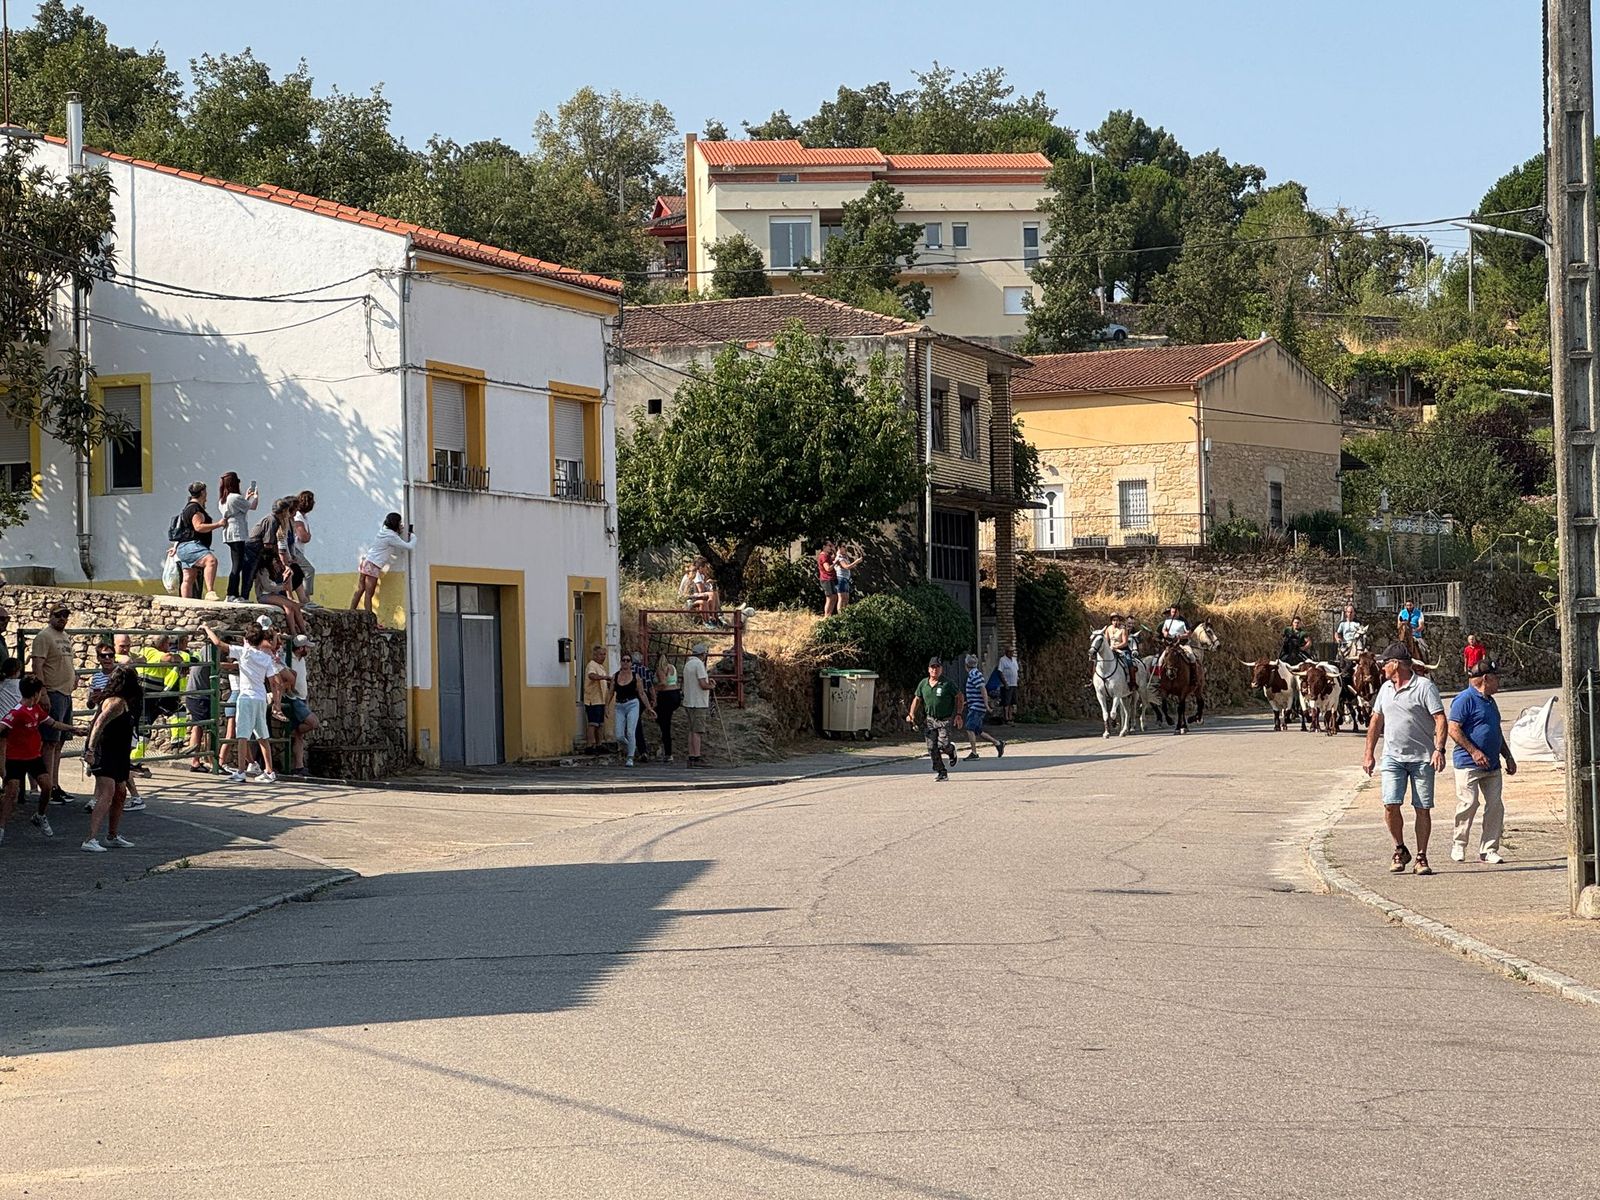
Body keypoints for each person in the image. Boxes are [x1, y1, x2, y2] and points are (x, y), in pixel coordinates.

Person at [1362, 643, 1448, 876]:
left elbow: (1440, 719)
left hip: (1422, 758)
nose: (1381, 668)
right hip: (1392, 757)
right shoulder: (1385, 689)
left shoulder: (1424, 687)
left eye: (1384, 663)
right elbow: (1376, 721)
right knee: (1390, 804)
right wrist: (1369, 753)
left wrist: (1439, 749)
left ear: (1395, 664)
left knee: (1422, 808)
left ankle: (1421, 856)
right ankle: (1400, 848)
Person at [0, 676, 86, 845]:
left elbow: (53, 723)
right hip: (15, 758)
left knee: (47, 787)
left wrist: (74, 729)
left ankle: (40, 815)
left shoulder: (36, 709)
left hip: (34, 757)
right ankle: (1, 828)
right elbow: (2, 727)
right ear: (37, 693)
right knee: (11, 793)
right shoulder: (17, 712)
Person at [1449, 659, 1517, 864]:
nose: (1499, 683)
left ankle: (1489, 849)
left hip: (1492, 765)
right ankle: (1459, 844)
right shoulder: (1464, 699)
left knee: (1495, 806)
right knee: (1469, 803)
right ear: (1486, 679)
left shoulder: (1490, 701)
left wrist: (1508, 755)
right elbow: (1454, 729)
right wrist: (1473, 752)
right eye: (1497, 679)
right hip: (1468, 763)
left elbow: (1495, 730)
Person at [202, 624, 279, 783]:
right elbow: (273, 682)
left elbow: (218, 644)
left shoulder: (242, 652)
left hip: (246, 697)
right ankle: (269, 771)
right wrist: (276, 703)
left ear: (246, 639)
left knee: (242, 735)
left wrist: (207, 629)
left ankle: (241, 771)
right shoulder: (266, 658)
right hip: (260, 698)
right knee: (262, 735)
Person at [80, 665, 143, 852]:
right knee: (107, 793)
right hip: (105, 752)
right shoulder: (115, 703)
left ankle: (112, 835)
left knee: (121, 792)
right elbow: (97, 724)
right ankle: (89, 839)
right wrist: (90, 751)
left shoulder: (125, 702)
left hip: (120, 754)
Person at [30, 603, 77, 809]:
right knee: (49, 742)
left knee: (59, 743)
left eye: (65, 615)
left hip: (65, 692)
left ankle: (55, 784)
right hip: (53, 692)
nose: (62, 619)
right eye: (58, 615)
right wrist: (43, 693)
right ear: (50, 616)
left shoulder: (64, 636)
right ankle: (47, 785)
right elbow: (37, 665)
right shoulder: (44, 637)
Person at [906, 656, 964, 782]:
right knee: (932, 747)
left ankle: (951, 750)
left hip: (945, 719)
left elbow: (959, 696)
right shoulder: (923, 684)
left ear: (941, 669)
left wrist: (959, 714)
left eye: (937, 667)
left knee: (943, 745)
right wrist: (912, 714)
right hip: (930, 720)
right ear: (929, 669)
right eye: (933, 667)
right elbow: (917, 699)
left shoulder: (947, 684)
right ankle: (941, 771)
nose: (935, 670)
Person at [352, 512, 417, 620]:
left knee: (360, 589)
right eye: (400, 523)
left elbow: (392, 537)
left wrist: (399, 532)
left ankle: (351, 611)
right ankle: (370, 620)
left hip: (366, 561)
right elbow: (408, 546)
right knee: (369, 594)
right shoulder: (392, 537)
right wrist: (413, 536)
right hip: (373, 565)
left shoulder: (383, 531)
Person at [172, 480, 226, 600]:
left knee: (189, 576)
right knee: (211, 561)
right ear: (202, 492)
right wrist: (219, 524)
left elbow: (185, 530)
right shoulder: (195, 508)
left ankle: (186, 603)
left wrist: (175, 547)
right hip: (192, 546)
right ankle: (210, 592)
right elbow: (198, 526)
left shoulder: (187, 508)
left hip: (183, 547)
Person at [219, 472, 260, 603]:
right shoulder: (235, 497)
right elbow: (252, 506)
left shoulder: (224, 499)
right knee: (238, 565)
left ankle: (232, 594)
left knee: (236, 563)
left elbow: (241, 507)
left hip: (229, 532)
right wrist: (256, 497)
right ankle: (232, 594)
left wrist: (246, 497)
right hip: (237, 532)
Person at [610, 654, 654, 767]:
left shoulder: (636, 676)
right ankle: (631, 745)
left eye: (628, 660)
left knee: (630, 731)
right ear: (620, 662)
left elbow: (642, 693)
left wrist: (649, 707)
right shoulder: (615, 676)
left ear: (631, 663)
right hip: (619, 705)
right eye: (623, 660)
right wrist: (606, 707)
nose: (625, 662)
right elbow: (610, 693)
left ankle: (630, 757)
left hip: (633, 704)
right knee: (619, 735)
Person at [254, 548, 308, 637]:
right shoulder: (263, 571)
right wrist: (283, 587)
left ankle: (300, 631)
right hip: (264, 595)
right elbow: (268, 587)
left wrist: (285, 579)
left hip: (271, 594)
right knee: (292, 605)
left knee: (290, 607)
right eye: (274, 559)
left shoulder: (271, 569)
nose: (275, 561)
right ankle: (297, 633)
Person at [286, 634, 319, 775]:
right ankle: (289, 732)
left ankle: (298, 766)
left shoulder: (301, 660)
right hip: (294, 698)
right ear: (300, 648)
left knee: (300, 736)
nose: (309, 650)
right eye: (306, 647)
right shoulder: (289, 659)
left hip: (302, 697)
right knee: (313, 722)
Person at [961, 653, 1005, 760]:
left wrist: (986, 704)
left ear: (966, 665)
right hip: (975, 705)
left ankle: (974, 753)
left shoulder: (973, 674)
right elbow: (977, 691)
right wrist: (968, 701)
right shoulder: (976, 673)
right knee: (978, 731)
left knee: (969, 728)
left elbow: (982, 689)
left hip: (977, 707)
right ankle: (998, 743)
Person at [682, 641, 714, 767]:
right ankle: (696, 756)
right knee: (697, 731)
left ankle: (691, 756)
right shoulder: (699, 665)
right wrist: (711, 686)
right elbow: (702, 684)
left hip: (689, 701)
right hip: (698, 702)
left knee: (691, 730)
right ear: (702, 654)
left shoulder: (688, 664)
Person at [654, 649, 683, 764]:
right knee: (664, 721)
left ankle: (668, 752)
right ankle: (665, 748)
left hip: (666, 696)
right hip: (676, 694)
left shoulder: (661, 669)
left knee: (665, 725)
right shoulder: (672, 667)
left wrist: (654, 688)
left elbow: (663, 683)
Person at [291, 490, 317, 605]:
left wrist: (308, 535)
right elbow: (304, 537)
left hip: (297, 549)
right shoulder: (298, 517)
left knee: (299, 573)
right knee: (309, 570)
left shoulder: (303, 517)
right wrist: (308, 535)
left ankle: (303, 599)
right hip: (294, 549)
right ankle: (306, 599)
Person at [583, 644, 609, 752]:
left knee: (600, 724)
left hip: (601, 699)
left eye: (604, 654)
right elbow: (591, 676)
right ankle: (590, 745)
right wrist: (603, 677)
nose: (603, 657)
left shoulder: (601, 667)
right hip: (592, 700)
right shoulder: (592, 665)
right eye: (601, 654)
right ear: (595, 655)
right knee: (593, 723)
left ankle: (599, 744)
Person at [631, 651, 655, 763]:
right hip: (643, 698)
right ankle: (641, 750)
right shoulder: (645, 670)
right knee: (637, 722)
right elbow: (650, 687)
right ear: (640, 659)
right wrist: (653, 700)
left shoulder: (629, 670)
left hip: (631, 697)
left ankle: (639, 750)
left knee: (634, 724)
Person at [1102, 614, 1134, 686]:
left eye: (1117, 620)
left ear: (1119, 621)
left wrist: (1116, 647)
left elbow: (1125, 643)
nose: (1115, 622)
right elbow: (1106, 641)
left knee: (1129, 661)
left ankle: (1132, 681)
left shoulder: (1123, 629)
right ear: (1111, 621)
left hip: (1122, 649)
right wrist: (1107, 647)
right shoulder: (1108, 629)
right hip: (1110, 649)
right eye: (1114, 620)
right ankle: (1094, 680)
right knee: (1098, 661)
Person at [834, 542, 863, 610]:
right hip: (840, 578)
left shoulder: (844, 556)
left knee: (846, 598)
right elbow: (846, 567)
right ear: (839, 548)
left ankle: (845, 614)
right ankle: (840, 615)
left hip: (845, 578)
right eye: (843, 546)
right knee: (841, 598)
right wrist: (856, 562)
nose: (845, 548)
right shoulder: (839, 557)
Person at [997, 647, 1020, 724]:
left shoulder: (1014, 660)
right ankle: (1006, 717)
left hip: (1014, 683)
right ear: (1006, 652)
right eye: (1010, 652)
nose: (1011, 653)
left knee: (1012, 701)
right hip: (1007, 684)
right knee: (1006, 702)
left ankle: (1010, 717)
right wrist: (1005, 683)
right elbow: (1000, 672)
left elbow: (1016, 670)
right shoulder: (1002, 660)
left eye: (1012, 652)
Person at [816, 540, 838, 616]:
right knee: (830, 598)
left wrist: (835, 551)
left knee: (834, 596)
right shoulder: (823, 556)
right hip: (826, 579)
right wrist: (835, 563)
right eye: (829, 546)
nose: (831, 548)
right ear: (824, 547)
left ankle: (830, 614)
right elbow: (828, 568)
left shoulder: (827, 555)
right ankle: (827, 615)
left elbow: (833, 557)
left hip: (831, 579)